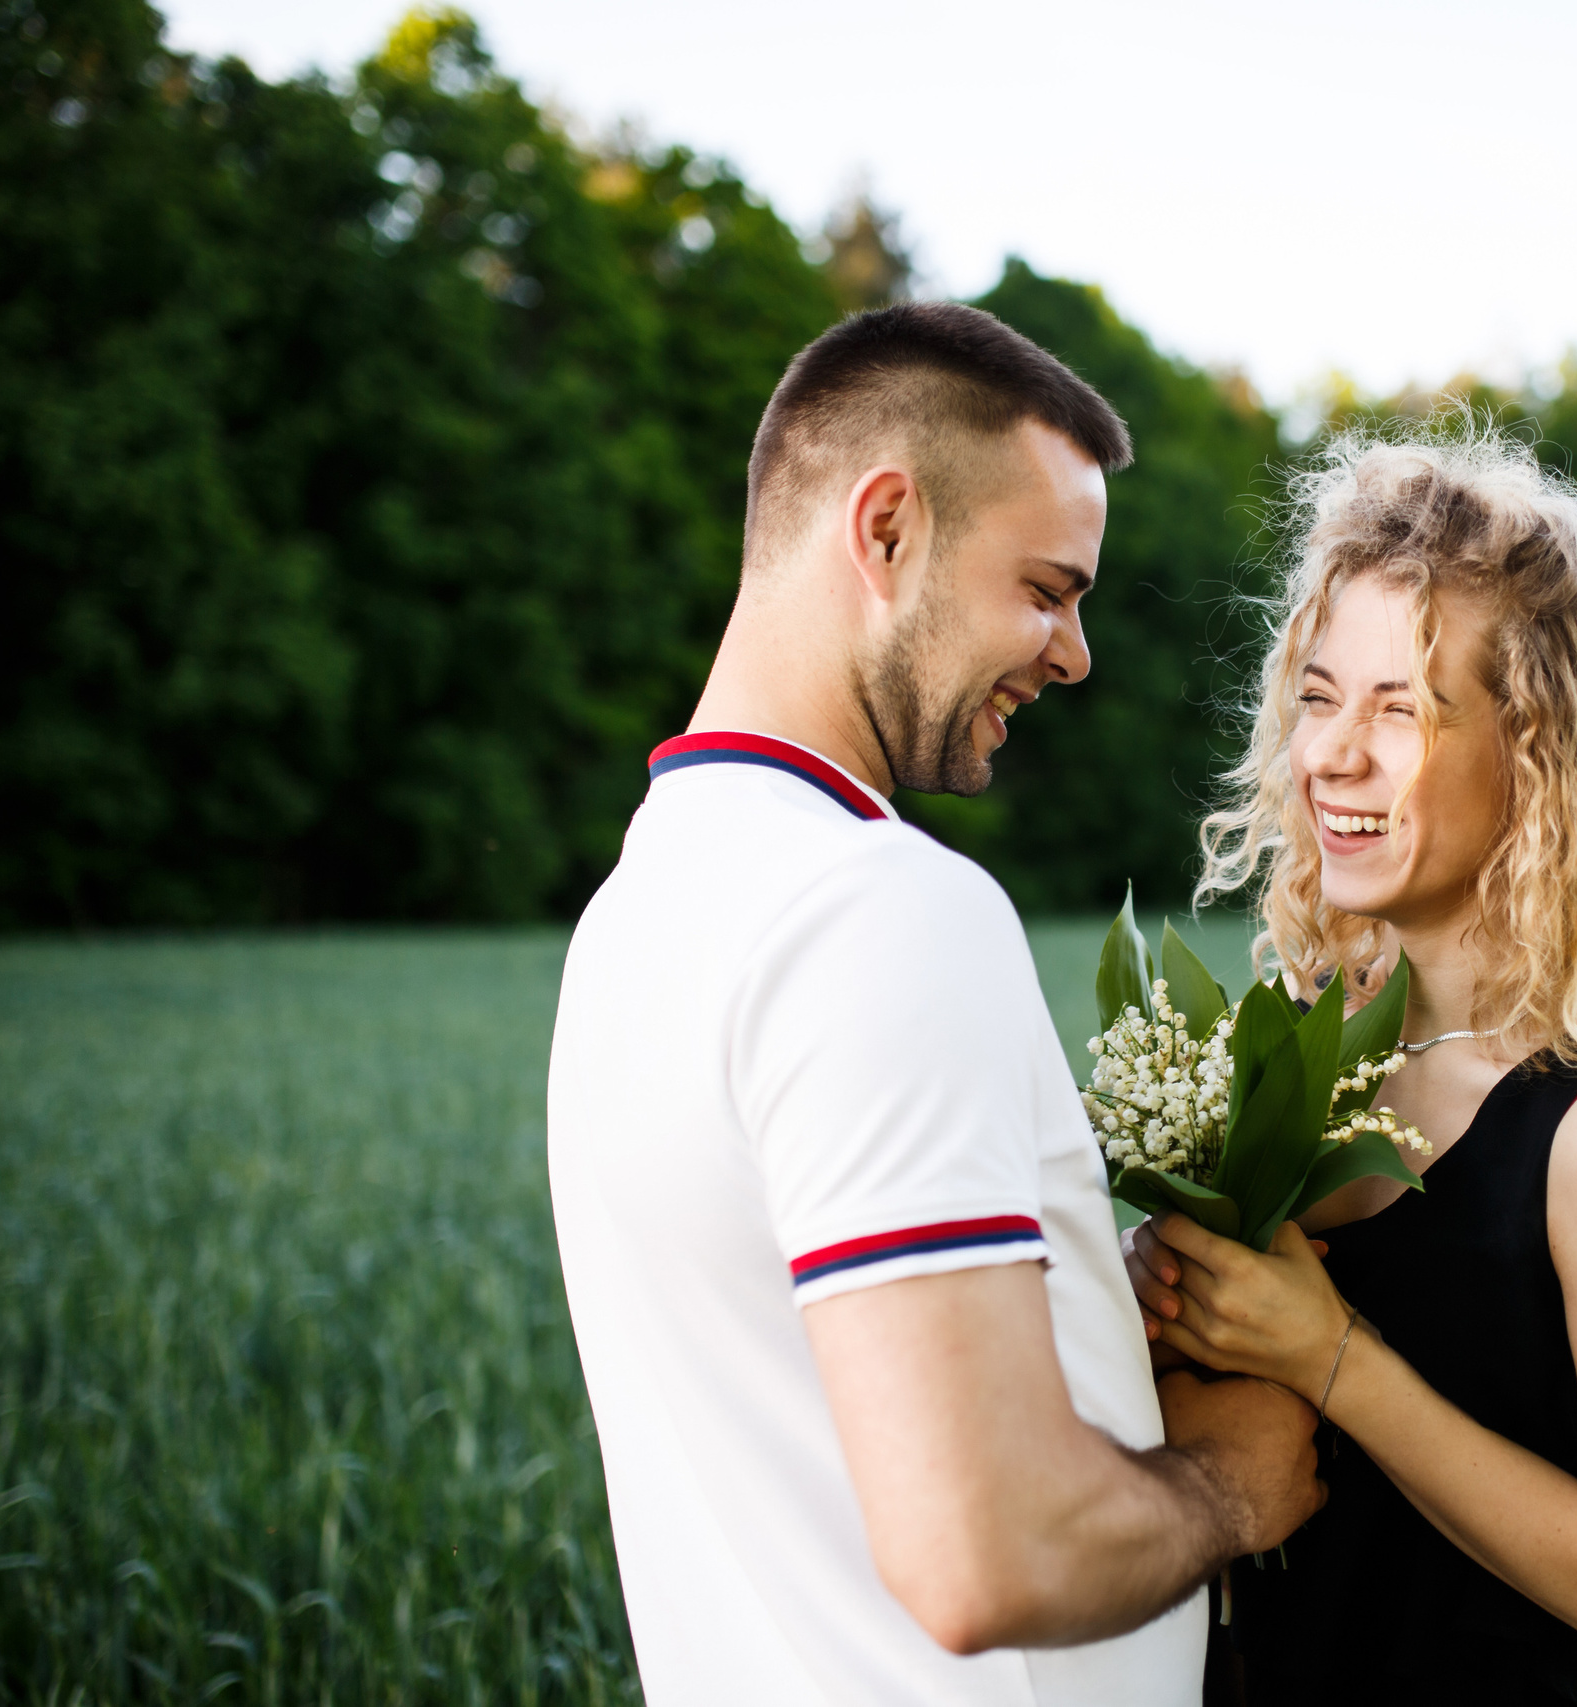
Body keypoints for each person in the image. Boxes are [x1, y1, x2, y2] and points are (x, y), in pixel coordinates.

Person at [548, 303, 1325, 1707]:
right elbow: (983, 1551)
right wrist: (1233, 1483)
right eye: (1047, 587)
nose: (1075, 651)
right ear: (888, 527)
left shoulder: (631, 916)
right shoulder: (878, 908)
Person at [1125, 424, 1577, 1705]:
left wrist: (1331, 1358)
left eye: (1405, 708)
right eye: (1320, 697)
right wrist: (1156, 1294)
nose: (1332, 753)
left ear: (1542, 755)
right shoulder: (1299, 1038)